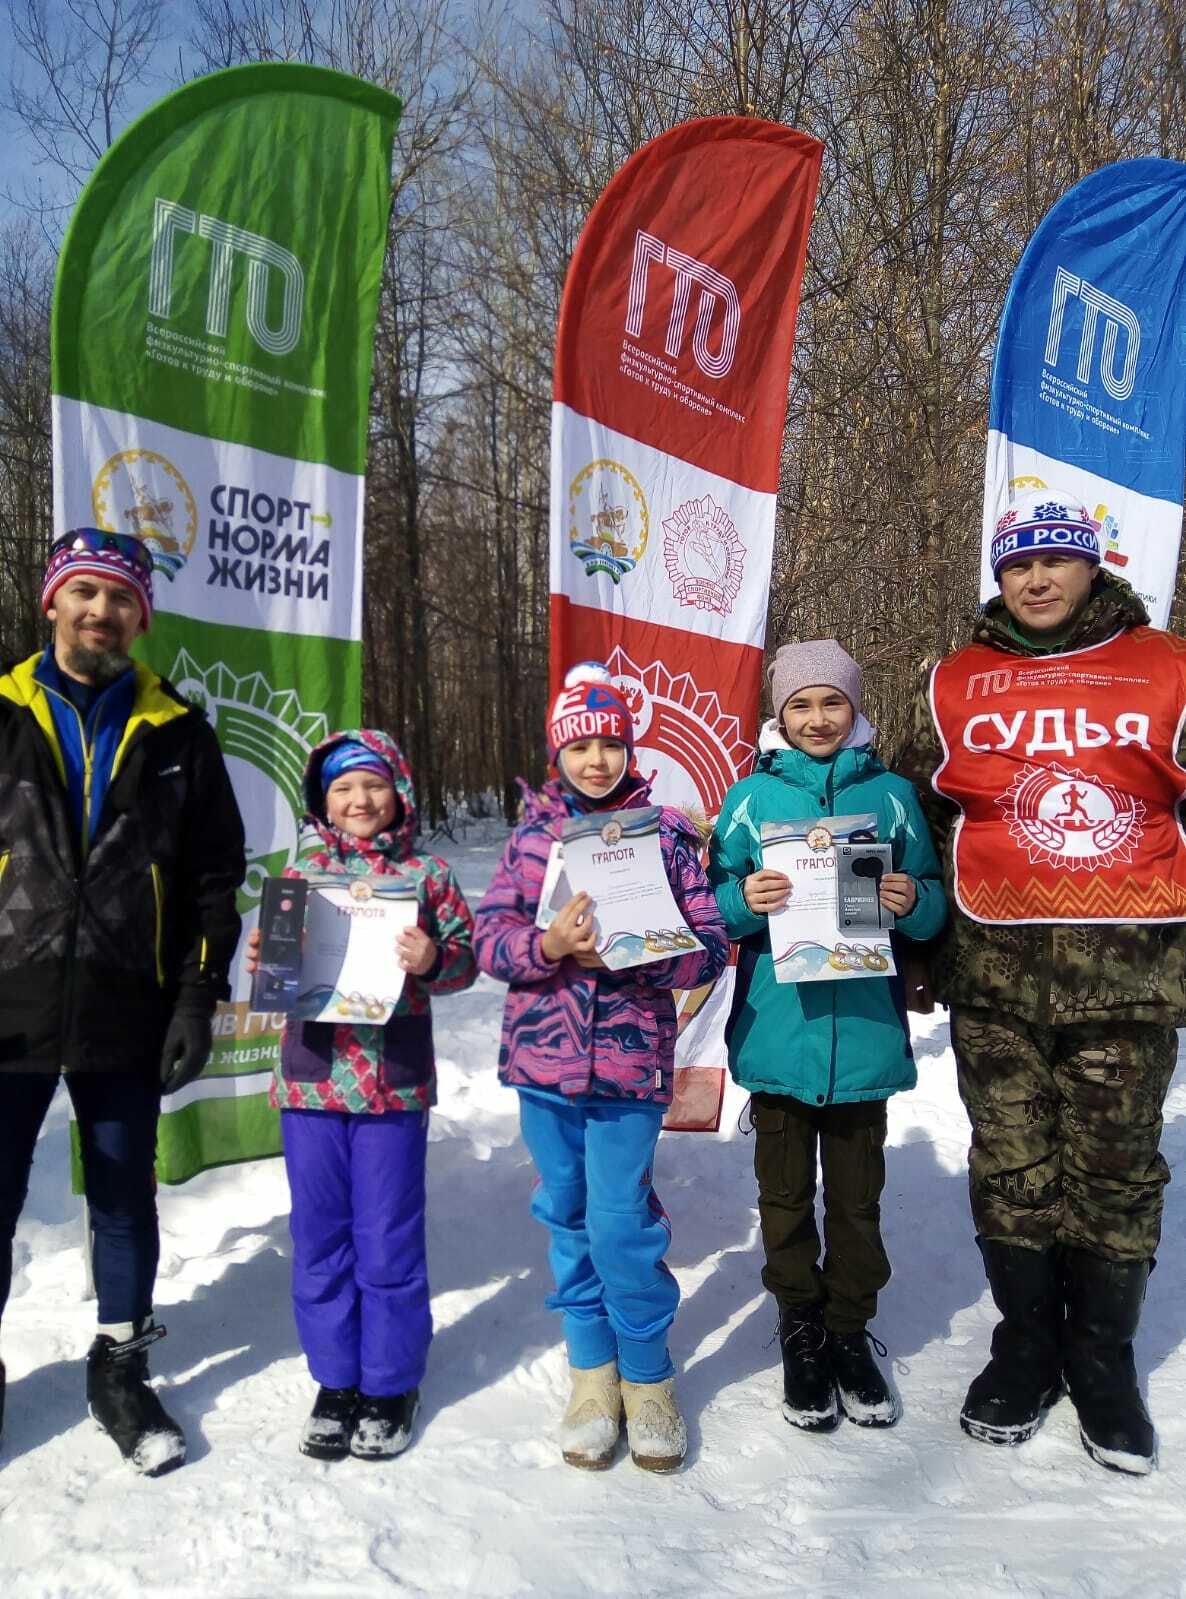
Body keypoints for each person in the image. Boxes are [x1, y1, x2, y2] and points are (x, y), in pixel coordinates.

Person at [895, 488, 1186, 1475]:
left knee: (1113, 1172)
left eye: (1055, 561)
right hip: (994, 977)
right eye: (1018, 564)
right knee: (1012, 1167)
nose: (1036, 578)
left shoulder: (1167, 669)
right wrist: (912, 946)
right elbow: (919, 823)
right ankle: (1025, 1348)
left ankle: (1099, 1361)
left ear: (1090, 565)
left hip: (1131, 976)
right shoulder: (952, 681)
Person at [0, 527, 245, 1474]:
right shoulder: (4, 709)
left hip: (124, 1003)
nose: (101, 613)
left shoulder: (179, 731)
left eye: (120, 600)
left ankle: (120, 1367)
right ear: (51, 602)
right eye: (85, 594)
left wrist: (195, 997)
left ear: (141, 617)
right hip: (7, 1003)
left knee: (120, 1200)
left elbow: (213, 878)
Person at [473, 663, 728, 1473]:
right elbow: (489, 939)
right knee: (567, 1215)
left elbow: (713, 942)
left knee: (622, 1222)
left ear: (628, 746)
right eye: (581, 743)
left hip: (628, 1068)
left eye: (611, 741)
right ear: (559, 750)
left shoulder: (665, 837)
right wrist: (545, 947)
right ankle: (592, 1373)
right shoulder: (532, 839)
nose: (596, 758)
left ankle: (647, 1373)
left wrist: (653, 956)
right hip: (543, 1064)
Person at [709, 640, 945, 1432]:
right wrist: (744, 896)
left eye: (832, 702)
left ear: (855, 708)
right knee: (782, 1201)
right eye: (801, 704)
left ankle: (849, 1332)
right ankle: (800, 1330)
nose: (817, 717)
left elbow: (935, 899)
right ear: (779, 712)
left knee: (856, 1202)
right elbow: (709, 903)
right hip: (780, 1038)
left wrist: (912, 901)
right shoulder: (749, 798)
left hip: (867, 1040)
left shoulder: (892, 795)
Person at [247, 729, 475, 1462]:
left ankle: (389, 1381)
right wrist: (267, 957)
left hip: (392, 1086)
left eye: (373, 783)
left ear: (398, 789)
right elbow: (275, 975)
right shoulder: (301, 871)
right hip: (311, 1080)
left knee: (387, 1239)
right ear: (324, 799)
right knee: (319, 1238)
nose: (359, 799)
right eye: (344, 787)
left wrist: (434, 956)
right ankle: (334, 1379)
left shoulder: (427, 874)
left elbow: (466, 962)